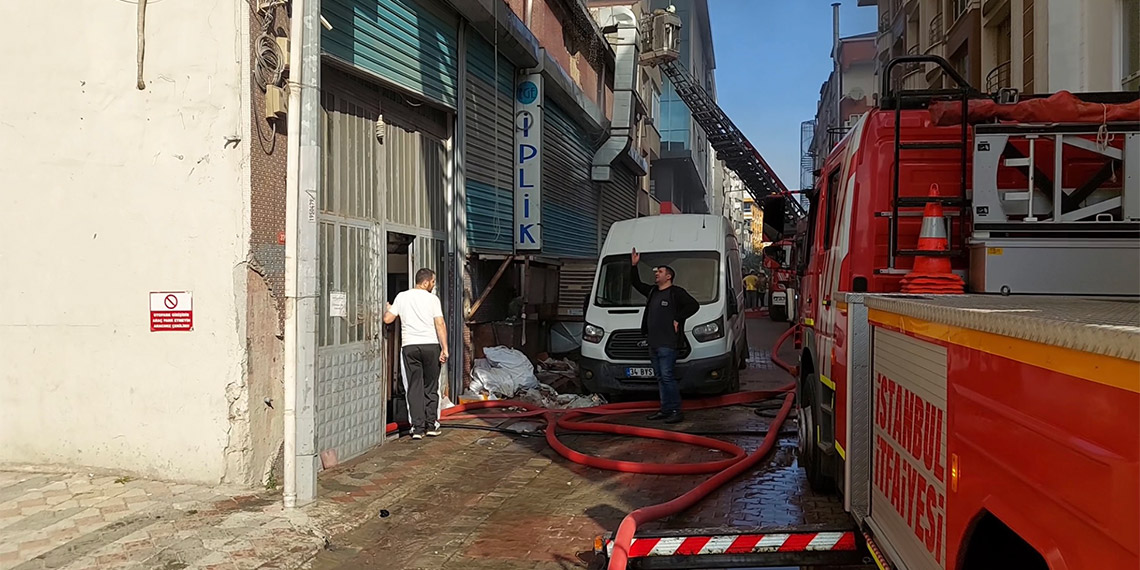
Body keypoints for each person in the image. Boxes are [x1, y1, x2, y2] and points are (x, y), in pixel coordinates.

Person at [630, 248, 700, 424]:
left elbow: (693, 305)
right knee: (660, 377)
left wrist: (678, 318)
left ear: (668, 276)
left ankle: (676, 410)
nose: (656, 274)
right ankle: (665, 409)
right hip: (653, 342)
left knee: (667, 376)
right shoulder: (653, 292)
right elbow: (636, 283)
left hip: (668, 344)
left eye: (660, 272)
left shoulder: (676, 293)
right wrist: (634, 265)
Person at [383, 268, 449, 440]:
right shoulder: (433, 299)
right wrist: (445, 348)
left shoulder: (402, 297)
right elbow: (440, 323)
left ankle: (418, 428)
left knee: (414, 387)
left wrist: (389, 308)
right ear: (426, 282)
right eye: (433, 282)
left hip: (410, 347)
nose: (433, 285)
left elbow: (388, 319)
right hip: (431, 346)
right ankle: (431, 425)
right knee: (431, 386)